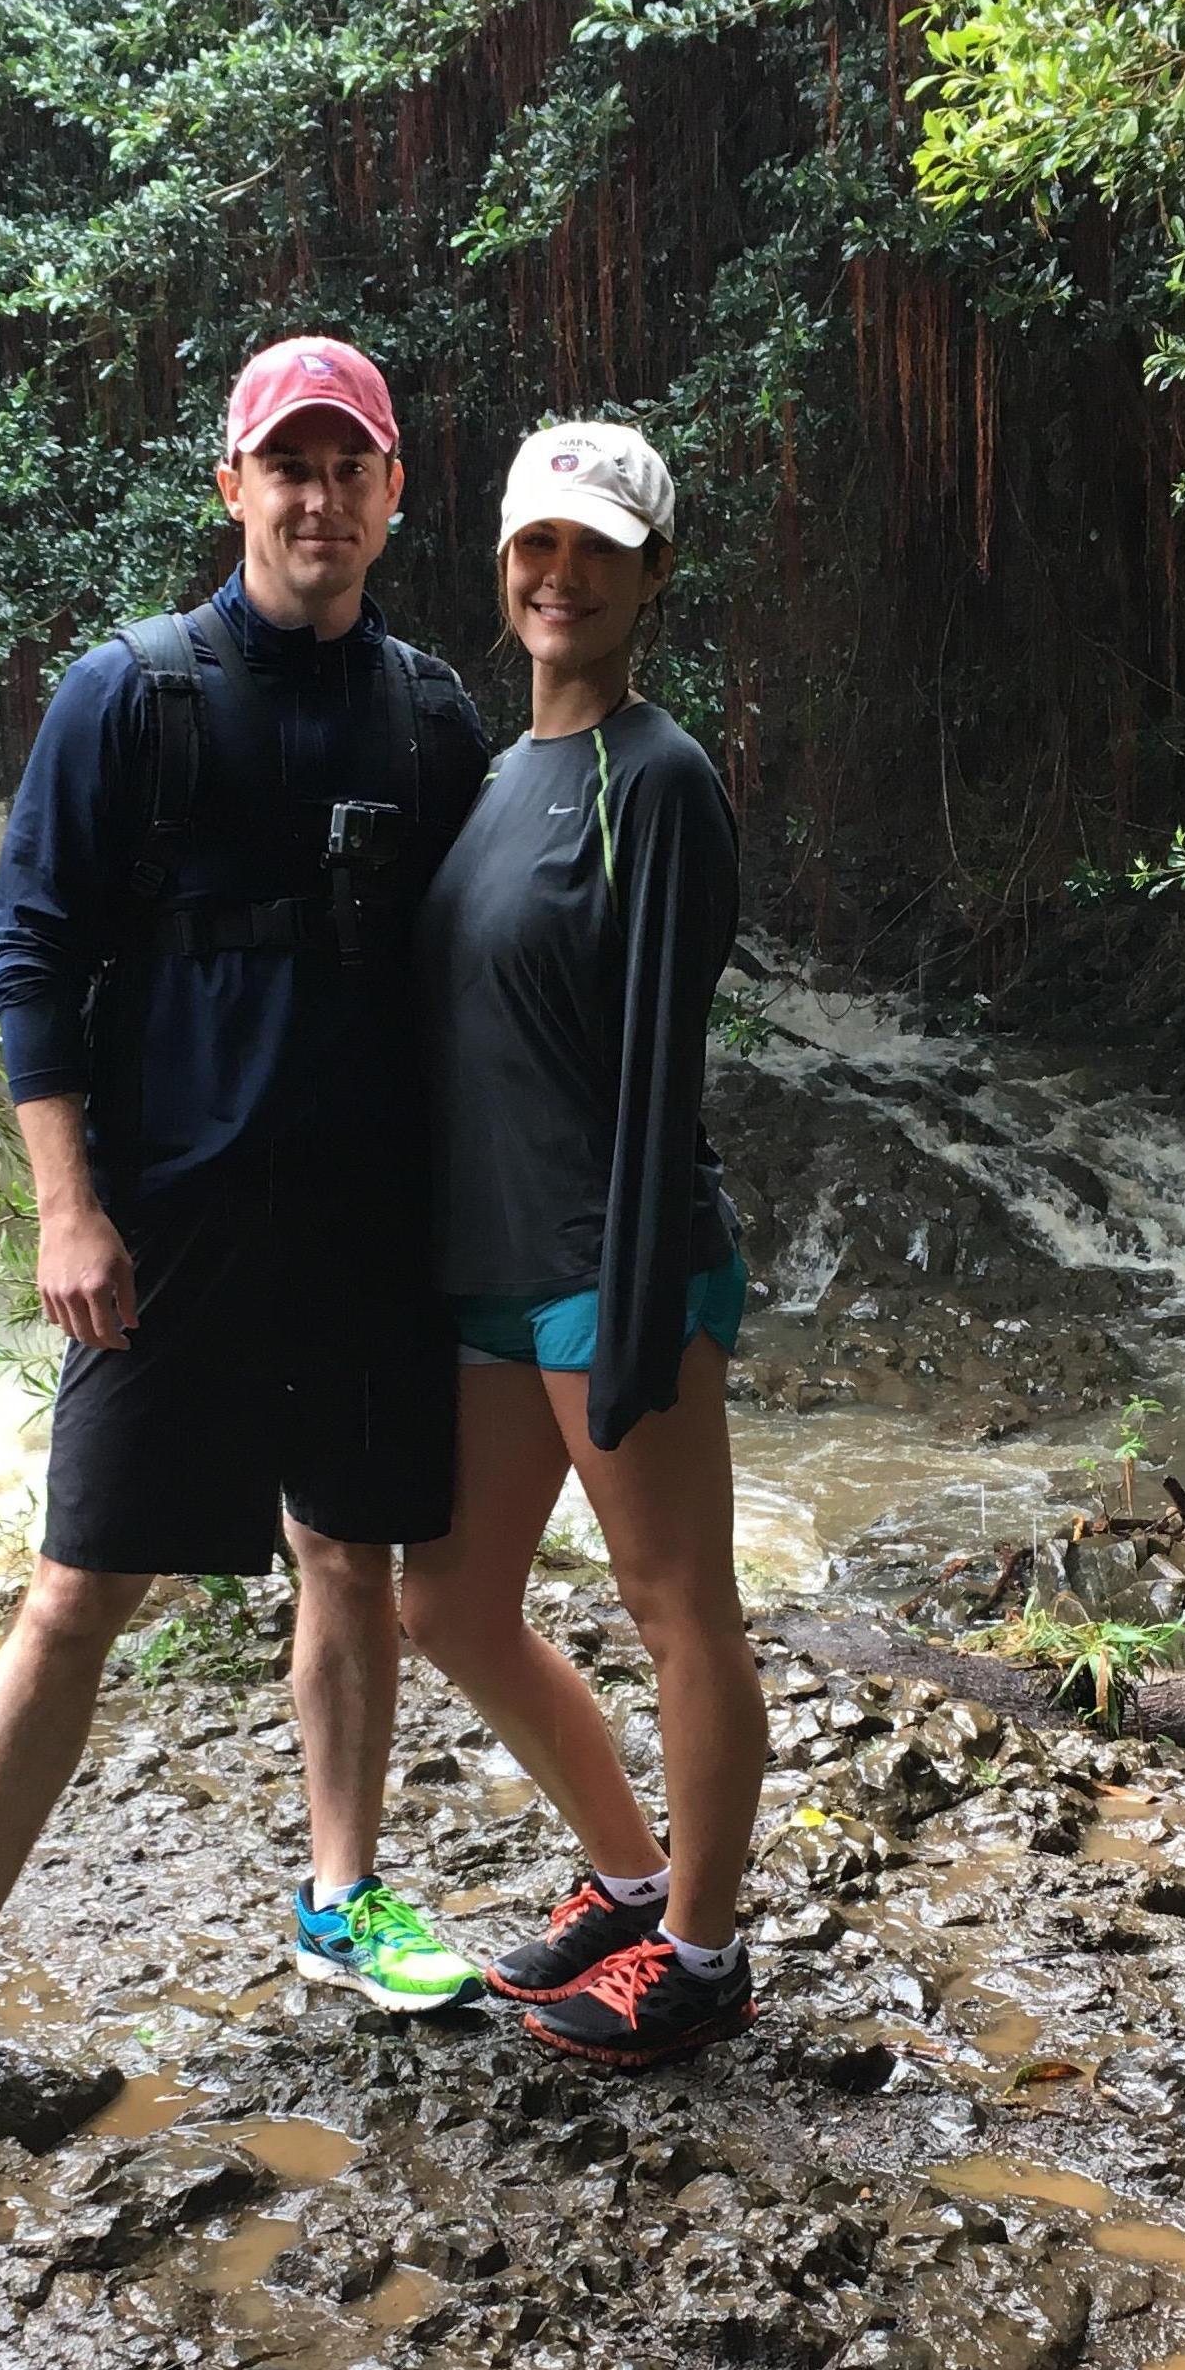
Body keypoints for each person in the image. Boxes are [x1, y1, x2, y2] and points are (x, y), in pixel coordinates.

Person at [0, 335, 493, 2142]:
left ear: (389, 494)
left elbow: (479, 967)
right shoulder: (129, 699)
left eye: (346, 465)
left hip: (365, 1228)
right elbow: (32, 956)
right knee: (74, 1595)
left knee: (348, 1561)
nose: (315, 496)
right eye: (284, 466)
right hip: (171, 1229)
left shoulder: (433, 715)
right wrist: (66, 1201)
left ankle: (339, 1898)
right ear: (230, 489)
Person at [400, 423, 768, 2069]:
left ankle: (698, 1948)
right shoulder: (488, 776)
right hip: (487, 1264)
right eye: (537, 546)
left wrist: (626, 1311)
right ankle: (626, 1873)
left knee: (677, 1600)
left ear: (651, 576)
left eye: (597, 552)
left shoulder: (659, 778)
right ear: (502, 564)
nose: (561, 576)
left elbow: (654, 1061)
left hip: (612, 1263)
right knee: (452, 1602)